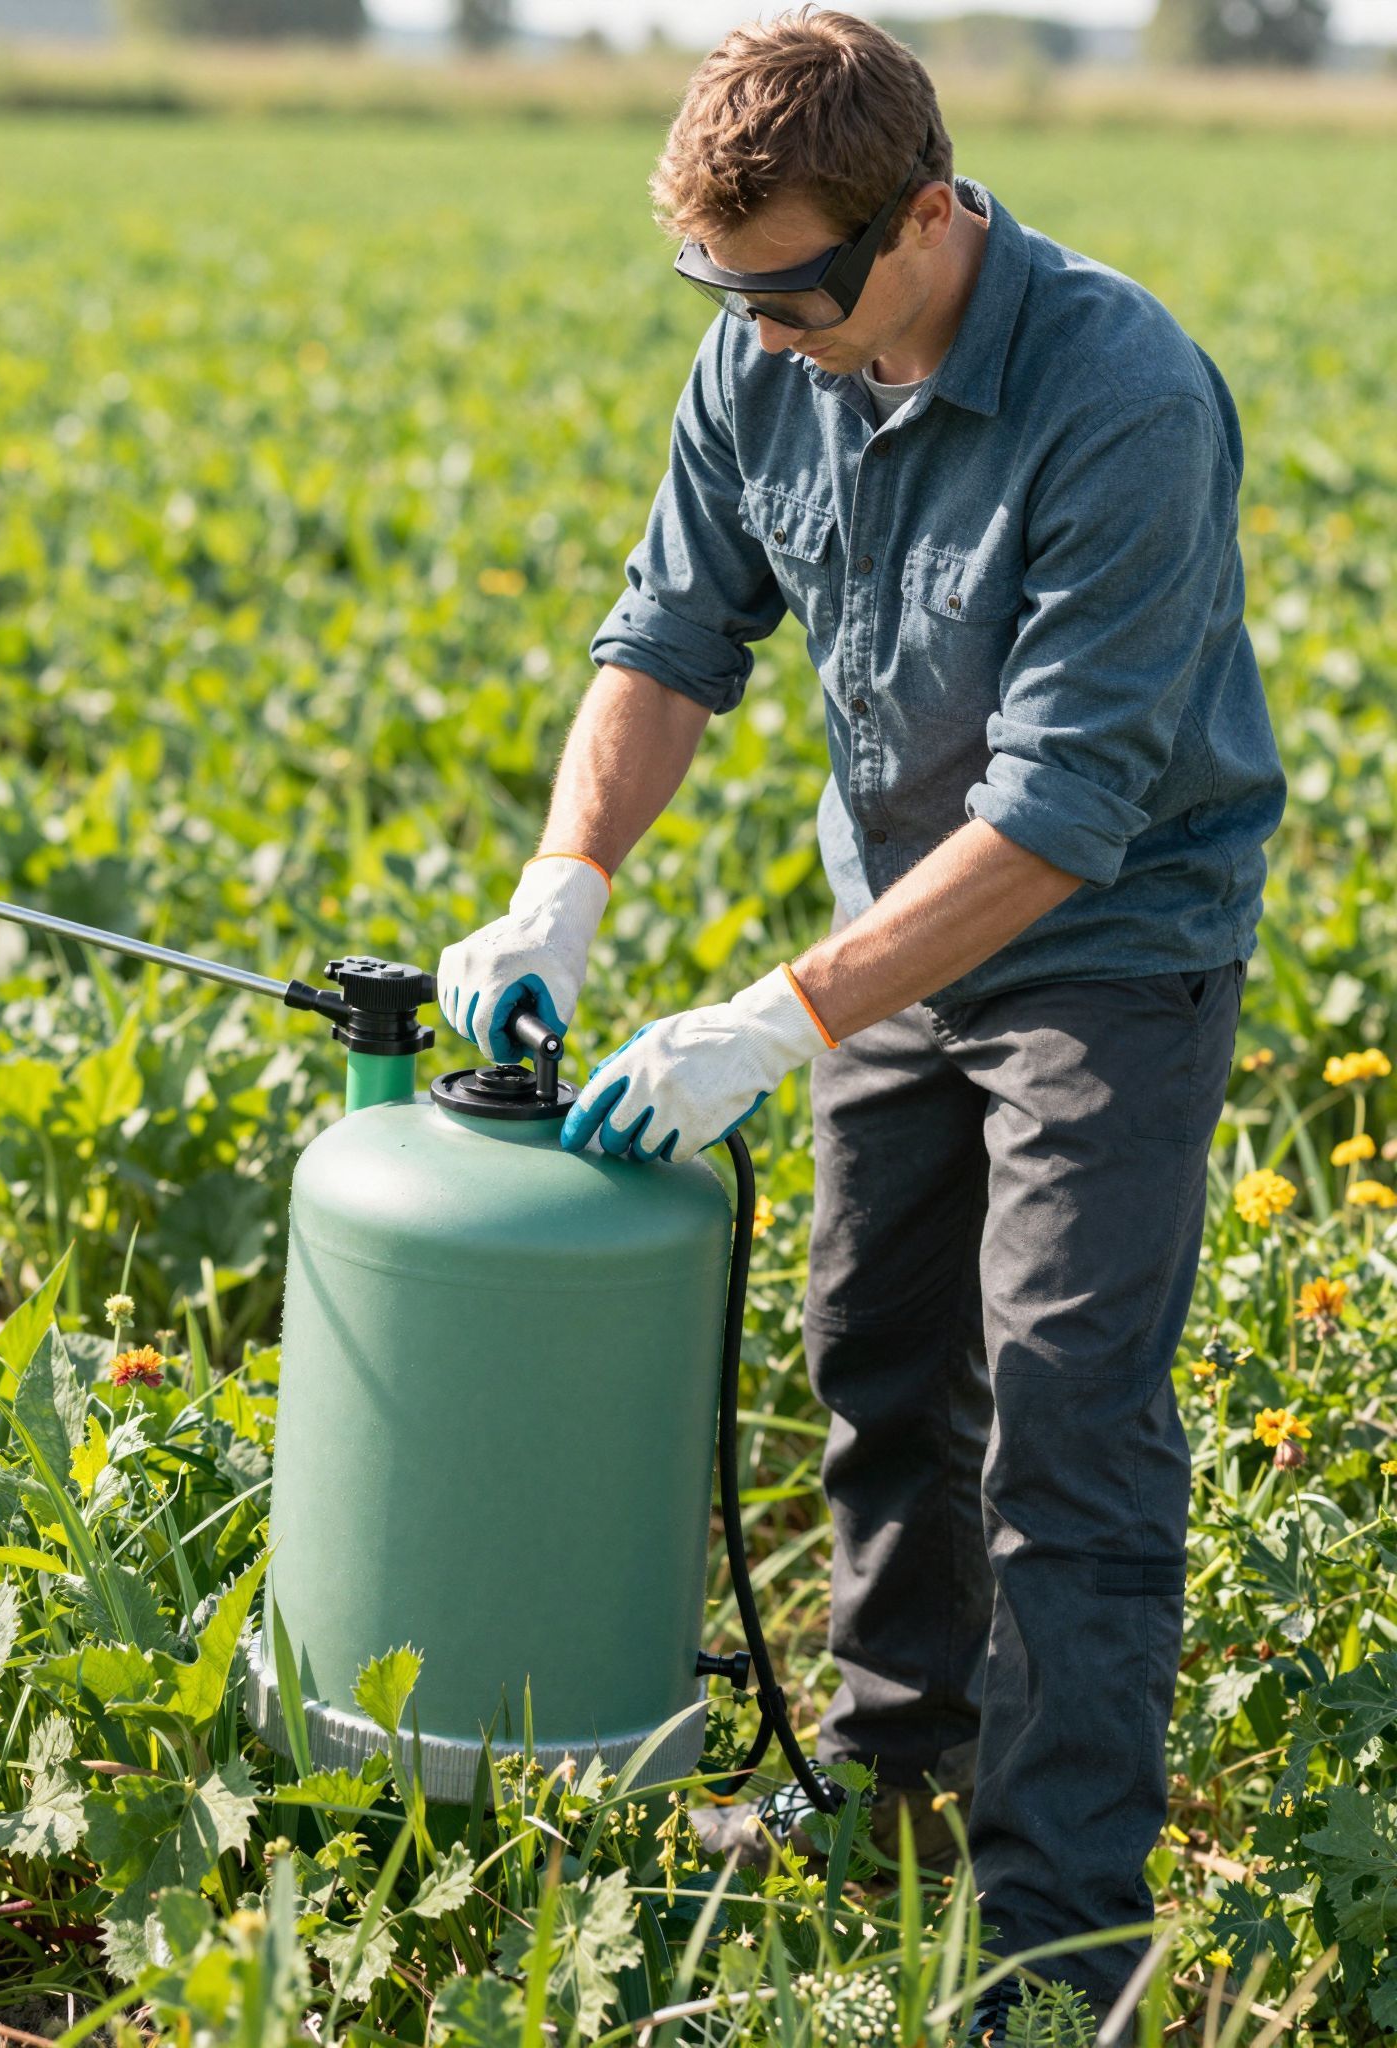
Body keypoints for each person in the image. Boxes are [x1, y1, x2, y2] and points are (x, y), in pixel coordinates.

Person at [436, 9, 1285, 2039]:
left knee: (1068, 1414)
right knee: (879, 1356)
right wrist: (567, 882)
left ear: (925, 219)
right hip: (896, 922)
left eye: (795, 288)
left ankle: (1058, 1939)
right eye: (721, 292)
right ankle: (897, 1782)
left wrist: (776, 1018)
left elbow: (1067, 817)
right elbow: (668, 639)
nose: (761, 329)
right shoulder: (763, 354)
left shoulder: (1121, 397)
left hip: (1105, 937)